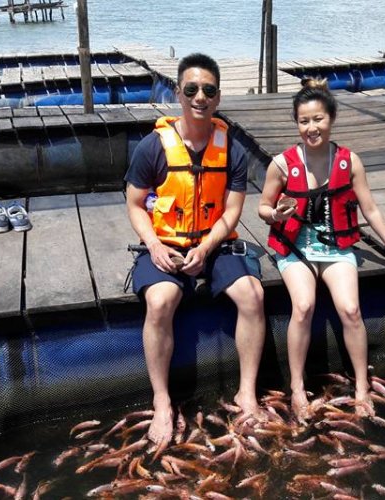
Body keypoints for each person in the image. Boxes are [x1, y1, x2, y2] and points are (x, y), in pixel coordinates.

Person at [258, 79, 385, 421]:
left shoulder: (350, 162)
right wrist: (275, 214)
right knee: (303, 306)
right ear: (296, 123)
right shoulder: (282, 164)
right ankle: (296, 387)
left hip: (336, 247)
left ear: (331, 118)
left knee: (350, 309)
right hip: (295, 247)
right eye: (304, 121)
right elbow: (262, 206)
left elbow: (371, 210)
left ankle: (362, 386)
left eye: (318, 119)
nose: (311, 128)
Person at [125, 53, 266, 446]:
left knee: (253, 295)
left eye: (208, 90)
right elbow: (134, 204)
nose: (199, 97)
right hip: (166, 243)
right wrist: (153, 244)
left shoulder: (232, 150)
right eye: (191, 89)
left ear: (217, 97)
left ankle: (247, 393)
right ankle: (162, 400)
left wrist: (205, 248)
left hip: (214, 243)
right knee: (160, 301)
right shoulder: (152, 147)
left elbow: (232, 212)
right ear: (178, 94)